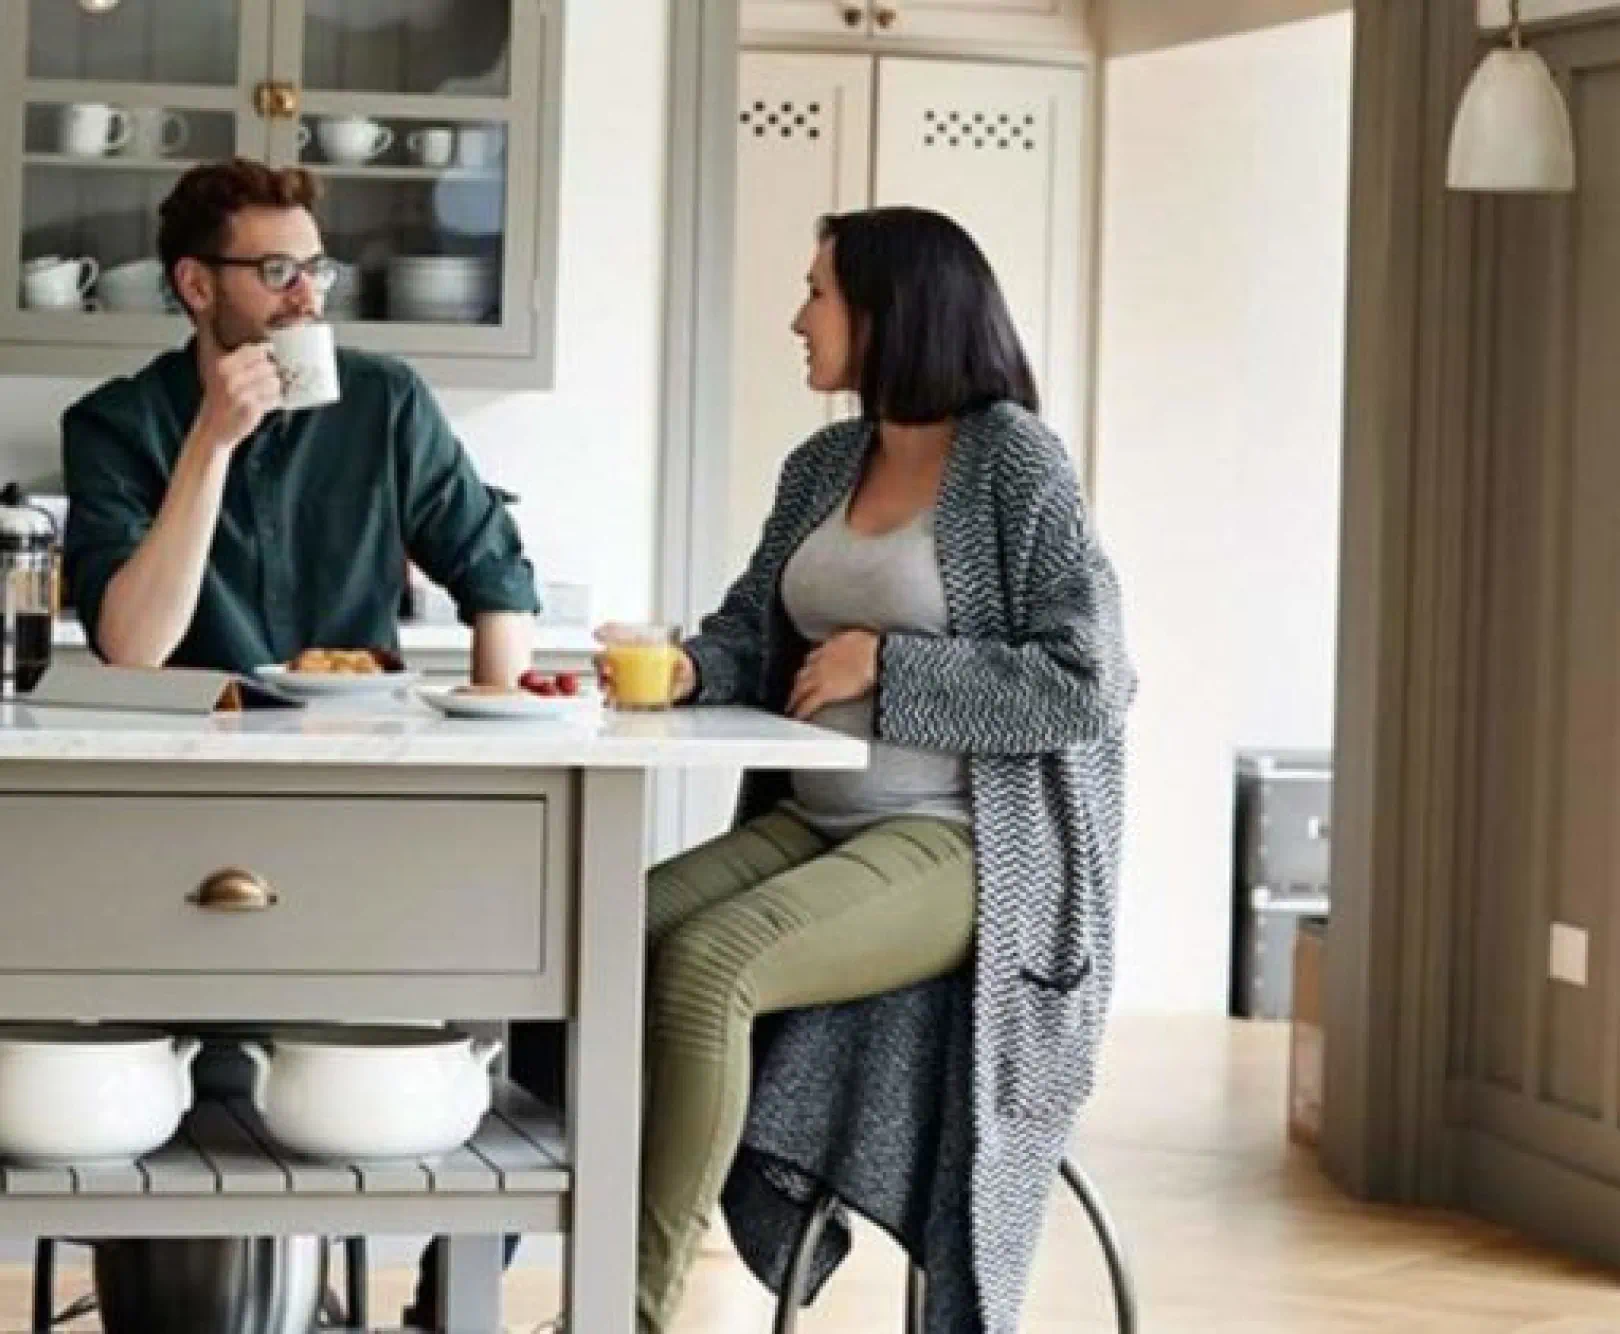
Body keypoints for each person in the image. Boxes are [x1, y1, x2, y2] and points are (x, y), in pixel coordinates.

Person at [411, 205, 1133, 1334]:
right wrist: (688, 668)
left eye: (819, 292)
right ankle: (480, 1280)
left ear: (893, 313)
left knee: (707, 966)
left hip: (962, 845)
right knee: (594, 936)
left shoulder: (1014, 463)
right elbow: (758, 627)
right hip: (820, 821)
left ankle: (627, 1313)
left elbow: (1088, 682)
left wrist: (889, 664)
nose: (799, 318)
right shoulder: (825, 462)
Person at [62, 158, 537, 682]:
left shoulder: (384, 400)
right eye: (278, 272)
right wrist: (211, 441)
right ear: (197, 285)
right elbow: (131, 649)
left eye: (316, 270)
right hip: (194, 745)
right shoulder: (114, 426)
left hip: (357, 741)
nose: (308, 297)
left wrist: (496, 724)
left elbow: (496, 576)